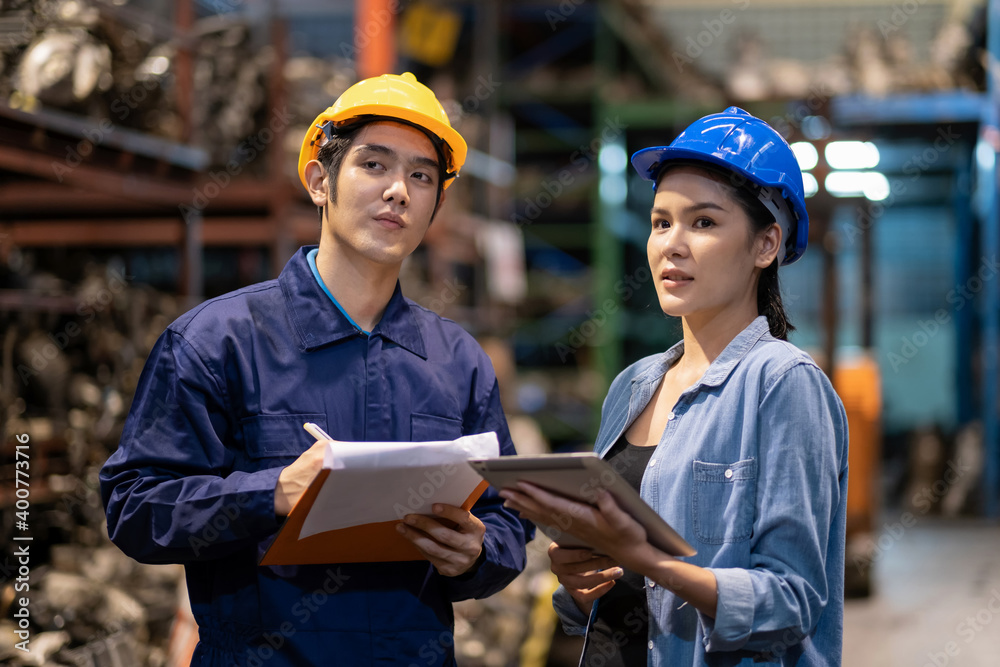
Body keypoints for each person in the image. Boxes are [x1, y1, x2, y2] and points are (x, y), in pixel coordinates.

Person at [100, 72, 531, 666]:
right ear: (319, 181)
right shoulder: (218, 341)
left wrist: (478, 555)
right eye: (374, 165)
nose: (398, 191)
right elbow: (136, 508)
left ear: (436, 204)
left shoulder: (457, 361)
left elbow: (507, 519)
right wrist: (272, 492)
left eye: (421, 176)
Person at [500, 107, 848, 666]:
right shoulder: (633, 385)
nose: (672, 244)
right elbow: (612, 594)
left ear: (766, 245)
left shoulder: (783, 384)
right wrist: (581, 582)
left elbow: (792, 600)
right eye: (661, 222)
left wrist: (651, 561)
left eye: (703, 223)